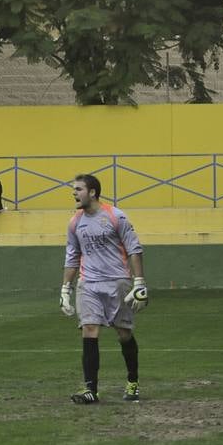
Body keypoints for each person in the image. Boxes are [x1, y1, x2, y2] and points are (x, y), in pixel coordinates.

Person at [59, 173, 148, 404]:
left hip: (117, 281)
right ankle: (91, 389)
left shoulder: (115, 216)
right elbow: (72, 256)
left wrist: (139, 282)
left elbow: (134, 248)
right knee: (89, 329)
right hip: (88, 283)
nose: (74, 193)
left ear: (92, 192)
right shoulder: (74, 222)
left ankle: (133, 381)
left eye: (78, 189)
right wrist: (65, 289)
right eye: (74, 189)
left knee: (124, 333)